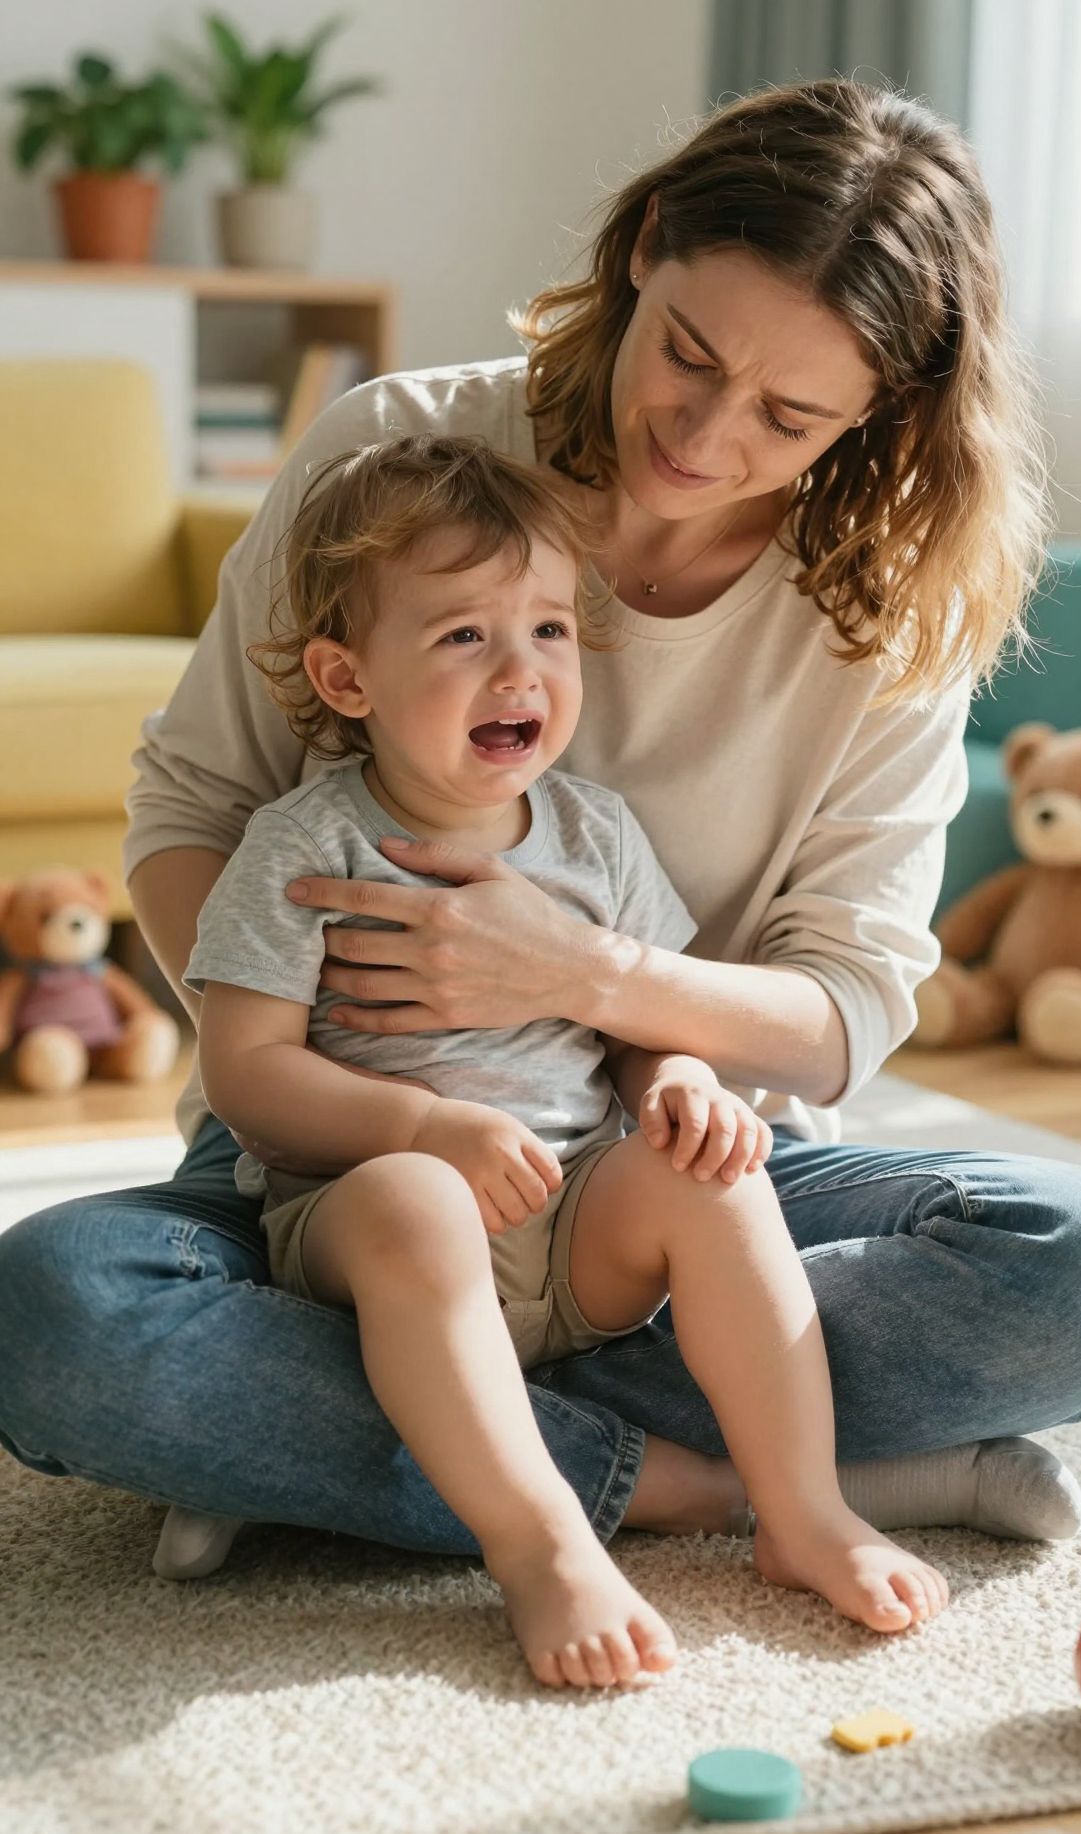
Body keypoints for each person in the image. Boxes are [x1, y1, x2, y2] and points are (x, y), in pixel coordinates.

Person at [2, 81, 1081, 1696]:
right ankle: (679, 1481)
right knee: (55, 1314)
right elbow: (191, 807)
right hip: (350, 1143)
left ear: (881, 417)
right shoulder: (394, 455)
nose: (701, 433)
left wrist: (591, 984)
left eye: (787, 415)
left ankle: (355, 1450)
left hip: (659, 1144)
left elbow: (847, 1007)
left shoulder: (886, 601)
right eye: (685, 349)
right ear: (639, 254)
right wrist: (346, 1068)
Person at [186, 431, 949, 1689]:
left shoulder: (596, 835)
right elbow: (247, 1074)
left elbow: (645, 1034)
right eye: (461, 636)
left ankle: (801, 1509)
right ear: (347, 675)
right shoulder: (305, 843)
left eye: (548, 628)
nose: (519, 669)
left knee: (714, 1176)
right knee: (402, 1206)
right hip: (377, 1225)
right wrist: (423, 1130)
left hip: (571, 1218)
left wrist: (682, 1089)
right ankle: (542, 1539)